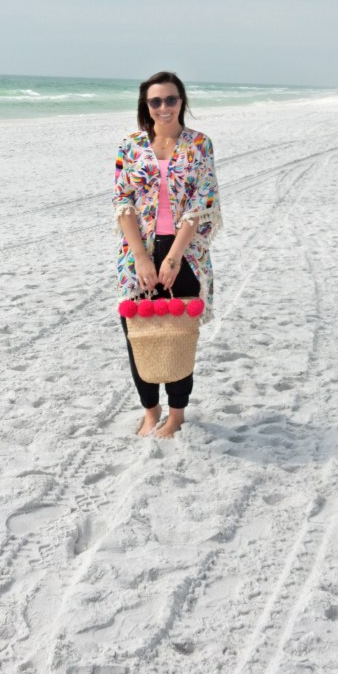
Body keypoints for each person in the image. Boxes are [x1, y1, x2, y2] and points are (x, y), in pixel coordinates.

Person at [113, 70, 222, 438]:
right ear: (146, 105)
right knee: (138, 330)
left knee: (179, 331)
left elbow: (202, 201)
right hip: (137, 253)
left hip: (185, 252)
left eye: (171, 99)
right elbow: (122, 200)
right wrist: (142, 257)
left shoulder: (199, 144)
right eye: (155, 101)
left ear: (182, 102)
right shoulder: (129, 146)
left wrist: (174, 256)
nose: (163, 107)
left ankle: (176, 414)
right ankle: (150, 410)